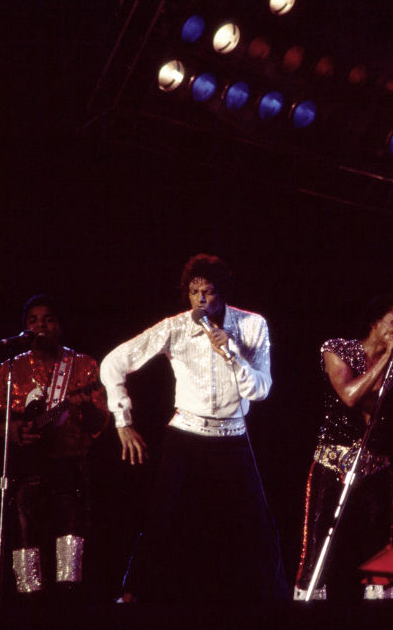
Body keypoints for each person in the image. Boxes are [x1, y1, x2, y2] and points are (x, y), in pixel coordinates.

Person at [99, 253, 288, 602]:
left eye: (209, 291)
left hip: (233, 435)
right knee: (161, 519)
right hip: (186, 433)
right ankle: (130, 595)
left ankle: (277, 602)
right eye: (194, 291)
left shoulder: (252, 325)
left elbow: (260, 390)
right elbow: (113, 364)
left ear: (223, 293)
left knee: (258, 525)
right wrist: (123, 421)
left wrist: (230, 352)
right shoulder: (174, 327)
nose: (201, 299)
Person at [294, 296, 393, 601]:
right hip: (333, 466)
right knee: (319, 549)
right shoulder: (338, 350)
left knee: (378, 555)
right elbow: (349, 395)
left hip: (376, 470)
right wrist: (387, 358)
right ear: (375, 322)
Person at [0, 294, 109, 598]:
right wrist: (12, 429)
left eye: (47, 319)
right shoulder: (9, 369)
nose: (40, 325)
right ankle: (27, 604)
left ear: (58, 325)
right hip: (25, 468)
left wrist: (84, 408)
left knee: (70, 542)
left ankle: (68, 602)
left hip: (70, 467)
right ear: (25, 328)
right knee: (24, 536)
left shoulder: (83, 365)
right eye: (33, 320)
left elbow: (99, 424)